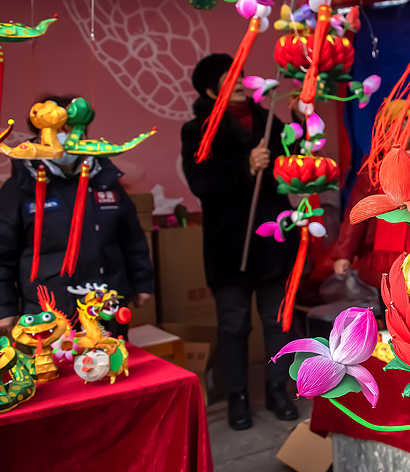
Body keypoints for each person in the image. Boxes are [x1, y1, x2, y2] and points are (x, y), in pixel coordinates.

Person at [181, 55, 299, 430]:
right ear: (211, 91)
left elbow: (296, 162)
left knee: (277, 322)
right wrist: (245, 167)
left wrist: (298, 123)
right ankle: (238, 397)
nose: (241, 84)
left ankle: (278, 388)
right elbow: (201, 184)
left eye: (243, 77)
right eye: (230, 80)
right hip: (229, 247)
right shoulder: (196, 130)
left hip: (273, 243)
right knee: (233, 326)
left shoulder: (267, 122)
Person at [0, 94, 155, 336]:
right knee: (54, 372)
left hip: (105, 304)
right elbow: (2, 254)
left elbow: (132, 237)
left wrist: (143, 282)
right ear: (39, 132)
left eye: (70, 127)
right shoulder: (20, 187)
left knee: (112, 365)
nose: (64, 135)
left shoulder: (105, 179)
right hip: (49, 312)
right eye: (55, 127)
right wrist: (4, 307)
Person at [331, 103, 410, 290]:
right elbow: (359, 210)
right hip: (382, 260)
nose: (393, 134)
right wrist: (344, 254)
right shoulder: (374, 165)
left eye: (401, 127)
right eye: (387, 129)